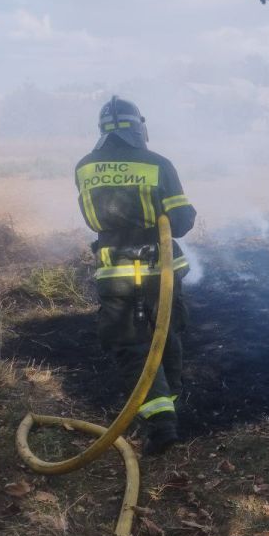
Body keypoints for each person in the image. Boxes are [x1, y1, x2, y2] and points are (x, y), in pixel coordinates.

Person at [75, 96, 197, 455]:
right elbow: (183, 221)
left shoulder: (84, 166)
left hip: (116, 271)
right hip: (161, 270)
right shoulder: (158, 164)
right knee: (166, 330)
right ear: (138, 127)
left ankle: (161, 419)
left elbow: (92, 220)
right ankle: (167, 411)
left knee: (128, 343)